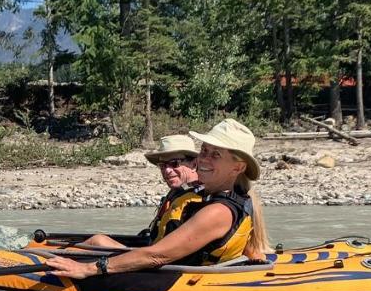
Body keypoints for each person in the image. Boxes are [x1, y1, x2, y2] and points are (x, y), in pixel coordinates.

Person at [48, 118, 272, 279]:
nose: (203, 159)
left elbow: (157, 256)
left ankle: (40, 261)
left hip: (169, 276)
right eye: (204, 151)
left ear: (238, 167)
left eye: (216, 154)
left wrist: (89, 269)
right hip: (173, 269)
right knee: (97, 241)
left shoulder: (218, 211)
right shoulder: (222, 198)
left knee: (97, 243)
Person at [79, 134, 200, 249]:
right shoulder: (178, 193)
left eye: (175, 164)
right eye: (163, 165)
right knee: (96, 240)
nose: (167, 170)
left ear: (194, 164)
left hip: (160, 262)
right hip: (153, 251)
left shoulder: (199, 200)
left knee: (97, 241)